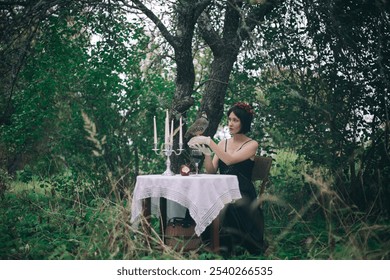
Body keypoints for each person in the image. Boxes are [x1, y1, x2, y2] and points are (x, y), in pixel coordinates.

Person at [188, 102, 265, 255]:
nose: (230, 123)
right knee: (201, 199)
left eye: (235, 120)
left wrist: (210, 142)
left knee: (229, 205)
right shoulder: (223, 143)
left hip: (242, 192)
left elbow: (229, 160)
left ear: (244, 122)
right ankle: (206, 242)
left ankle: (229, 244)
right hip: (222, 190)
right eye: (229, 119)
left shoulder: (252, 144)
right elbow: (211, 171)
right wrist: (208, 154)